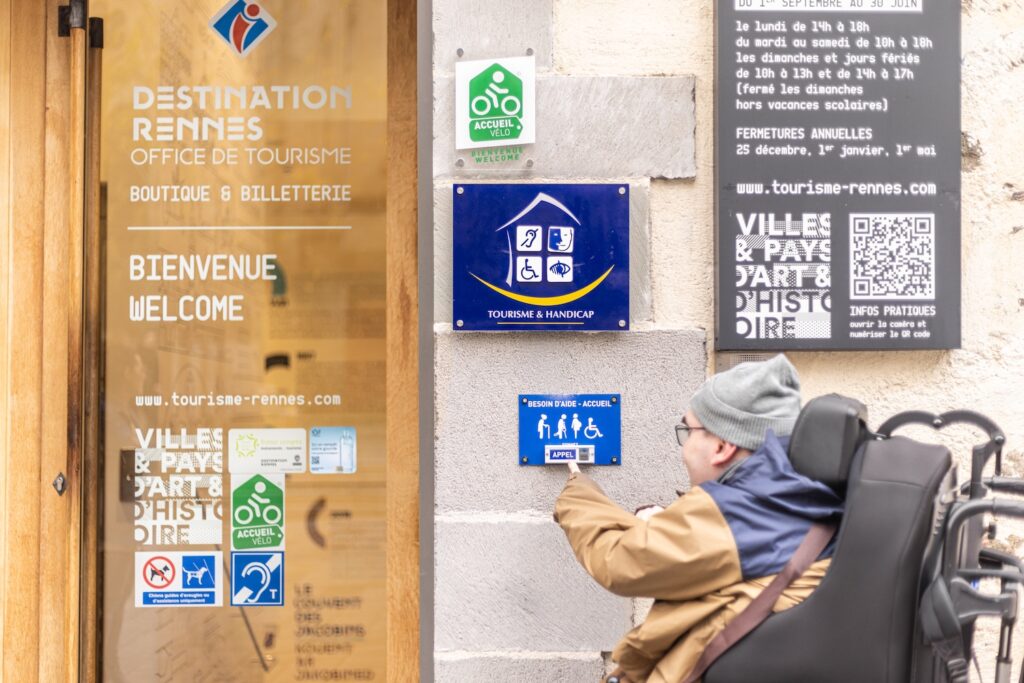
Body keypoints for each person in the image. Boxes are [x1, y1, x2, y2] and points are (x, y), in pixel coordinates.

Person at [553, 355, 843, 683]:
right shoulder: (791, 494)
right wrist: (665, 524)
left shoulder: (740, 509)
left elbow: (621, 559)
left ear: (722, 446)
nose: (685, 446)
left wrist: (577, 493)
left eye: (688, 430)